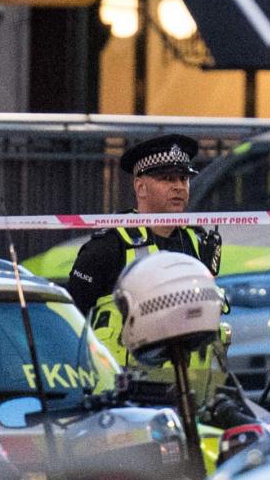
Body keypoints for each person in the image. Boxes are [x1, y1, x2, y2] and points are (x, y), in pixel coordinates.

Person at [64, 133, 244, 432]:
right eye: (166, 178)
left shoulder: (197, 242)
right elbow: (72, 320)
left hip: (192, 399)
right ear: (140, 186)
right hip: (125, 405)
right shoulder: (109, 245)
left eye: (183, 178)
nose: (178, 186)